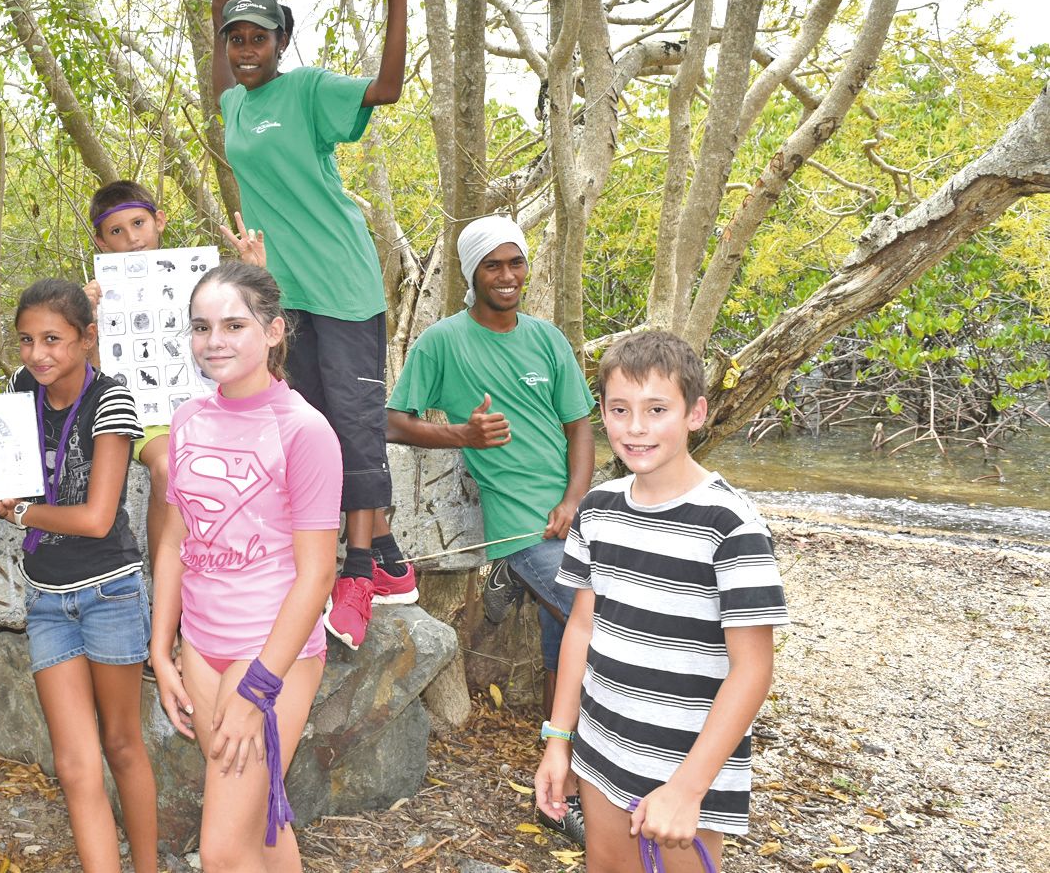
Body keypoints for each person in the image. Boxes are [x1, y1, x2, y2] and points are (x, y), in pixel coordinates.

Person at [211, 0, 415, 651]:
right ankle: (379, 556)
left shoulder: (309, 91)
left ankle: (358, 572)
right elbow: (227, 90)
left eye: (258, 39)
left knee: (356, 424)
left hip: (342, 282)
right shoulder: (233, 104)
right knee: (308, 425)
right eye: (235, 38)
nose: (245, 50)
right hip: (281, 292)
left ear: (281, 43)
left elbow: (387, 87)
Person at [535, 331, 788, 872]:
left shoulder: (731, 524)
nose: (636, 427)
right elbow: (582, 627)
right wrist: (559, 739)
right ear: (600, 413)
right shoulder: (598, 509)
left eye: (657, 409)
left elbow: (753, 667)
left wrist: (688, 788)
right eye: (619, 409)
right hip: (603, 748)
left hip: (691, 763)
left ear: (695, 413)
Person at [385, 215, 594, 836]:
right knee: (598, 622)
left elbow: (579, 424)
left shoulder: (549, 340)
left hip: (573, 517)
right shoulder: (442, 343)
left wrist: (577, 497)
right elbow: (391, 420)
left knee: (569, 636)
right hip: (518, 526)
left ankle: (559, 783)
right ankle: (590, 781)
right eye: (492, 266)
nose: (507, 277)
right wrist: (461, 434)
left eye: (516, 263)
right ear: (470, 274)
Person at [0, 279, 158, 873]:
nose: (37, 354)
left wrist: (18, 511)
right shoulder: (18, 394)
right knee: (74, 764)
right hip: (46, 596)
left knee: (122, 746)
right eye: (26, 340)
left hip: (110, 591)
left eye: (53, 339)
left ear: (87, 338)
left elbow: (98, 519)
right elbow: (12, 477)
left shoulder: (112, 399)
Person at [152, 261, 340, 871]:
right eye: (201, 327)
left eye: (234, 324)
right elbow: (179, 535)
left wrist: (259, 683)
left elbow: (318, 575)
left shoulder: (306, 431)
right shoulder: (187, 421)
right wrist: (163, 645)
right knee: (258, 824)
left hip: (271, 656)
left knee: (221, 850)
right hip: (203, 647)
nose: (215, 341)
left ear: (275, 331)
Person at [81, 179, 265, 585]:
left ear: (159, 221)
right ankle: (166, 592)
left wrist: (254, 270)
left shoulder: (200, 280)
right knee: (168, 466)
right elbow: (93, 372)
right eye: (116, 231)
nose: (132, 239)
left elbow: (256, 326)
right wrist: (86, 317)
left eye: (139, 224)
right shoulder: (98, 295)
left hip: (210, 404)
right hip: (146, 416)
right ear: (101, 241)